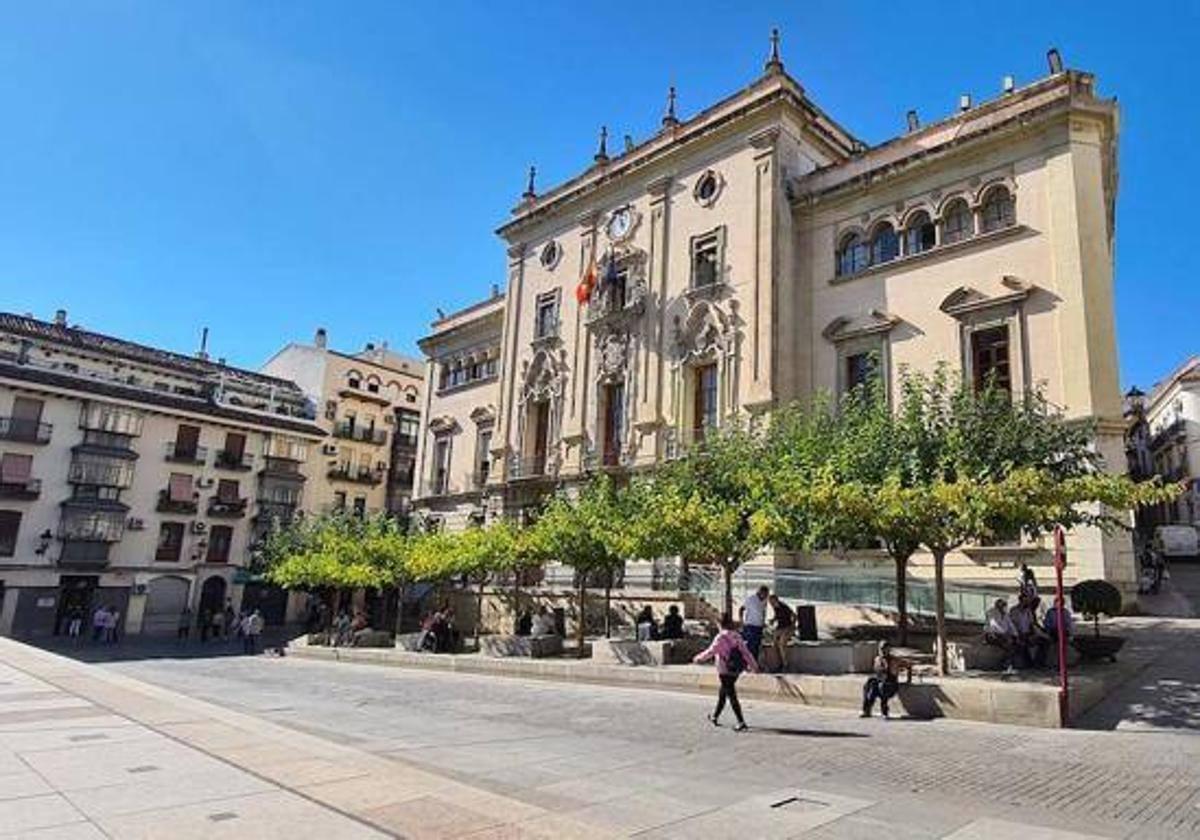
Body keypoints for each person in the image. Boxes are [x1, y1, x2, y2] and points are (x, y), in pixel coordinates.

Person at [693, 614, 759, 731]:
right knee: (723, 692)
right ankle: (715, 716)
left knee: (731, 694)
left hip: (724, 669)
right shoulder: (737, 636)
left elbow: (710, 652)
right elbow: (746, 653)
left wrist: (698, 658)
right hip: (737, 669)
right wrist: (754, 666)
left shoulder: (721, 637)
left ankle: (741, 721)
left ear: (720, 624)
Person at [861, 641, 901, 718]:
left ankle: (884, 711)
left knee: (882, 686)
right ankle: (866, 709)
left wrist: (887, 666)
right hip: (880, 681)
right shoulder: (877, 659)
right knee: (869, 685)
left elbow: (893, 674)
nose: (882, 651)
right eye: (881, 649)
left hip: (891, 684)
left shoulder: (893, 660)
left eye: (885, 649)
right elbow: (876, 672)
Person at [1009, 594, 1046, 667]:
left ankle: (1038, 662)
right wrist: (1019, 634)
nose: (1027, 602)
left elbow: (1032, 624)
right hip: (1018, 633)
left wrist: (1036, 632)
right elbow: (1013, 625)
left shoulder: (1028, 611)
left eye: (1028, 601)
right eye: (1025, 601)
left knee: (1042, 642)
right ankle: (1029, 663)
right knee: (1023, 644)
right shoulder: (1014, 610)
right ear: (1020, 601)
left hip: (1027, 633)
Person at [984, 598, 1018, 674]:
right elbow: (993, 625)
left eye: (1005, 606)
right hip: (992, 634)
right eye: (1003, 606)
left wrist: (1016, 635)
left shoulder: (1006, 615)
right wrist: (1003, 633)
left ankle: (1006, 663)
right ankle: (1006, 664)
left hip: (1003, 635)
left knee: (1014, 643)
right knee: (1008, 643)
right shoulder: (991, 613)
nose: (1005, 608)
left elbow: (1011, 626)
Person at [738, 585, 770, 662]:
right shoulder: (751, 599)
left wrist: (763, 622)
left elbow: (763, 612)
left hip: (759, 626)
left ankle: (754, 663)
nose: (765, 596)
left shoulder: (764, 601)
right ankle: (747, 662)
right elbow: (741, 609)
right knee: (750, 645)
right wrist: (741, 621)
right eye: (764, 594)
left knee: (756, 646)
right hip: (750, 625)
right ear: (760, 592)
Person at [767, 594, 795, 673]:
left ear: (776, 600)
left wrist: (792, 626)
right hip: (780, 627)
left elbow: (794, 615)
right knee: (774, 644)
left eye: (772, 602)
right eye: (770, 602)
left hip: (787, 627)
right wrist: (773, 620)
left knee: (781, 644)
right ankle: (779, 663)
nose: (771, 604)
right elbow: (777, 616)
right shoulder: (776, 608)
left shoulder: (784, 607)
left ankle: (785, 664)